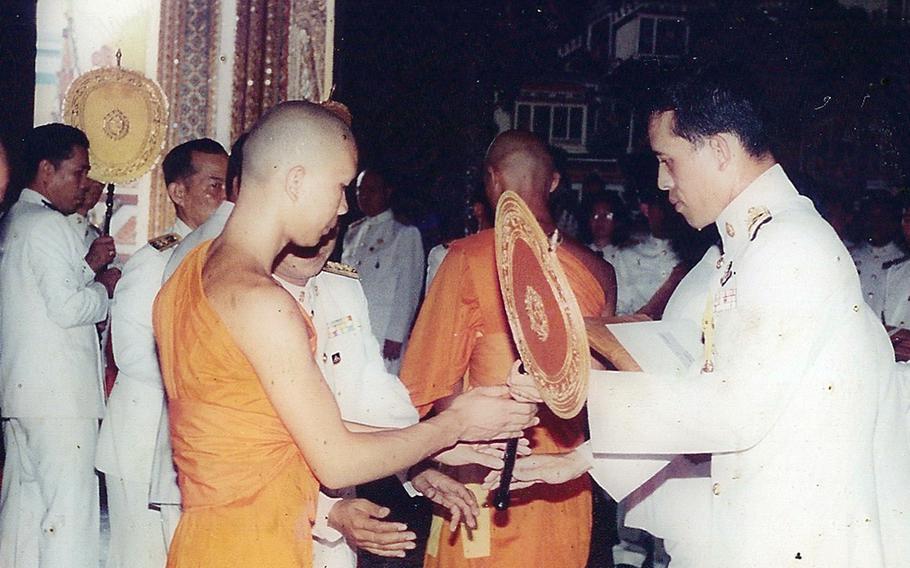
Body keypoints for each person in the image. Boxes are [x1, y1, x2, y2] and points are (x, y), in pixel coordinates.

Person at [498, 66, 910, 567]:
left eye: (668, 159)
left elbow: (730, 409)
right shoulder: (748, 244)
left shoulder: (789, 245)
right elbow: (700, 377)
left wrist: (577, 387)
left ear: (718, 150)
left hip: (799, 532)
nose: (661, 180)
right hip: (759, 523)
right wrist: (581, 459)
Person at [152, 101, 537, 568]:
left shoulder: (191, 274)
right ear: (296, 181)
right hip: (255, 545)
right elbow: (336, 460)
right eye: (338, 187)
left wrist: (435, 444)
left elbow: (276, 427)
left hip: (210, 541)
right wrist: (454, 423)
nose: (341, 206)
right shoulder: (261, 299)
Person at [400, 129, 616, 568]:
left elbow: (423, 387)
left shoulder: (465, 258)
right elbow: (606, 392)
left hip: (484, 477)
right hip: (565, 482)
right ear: (553, 182)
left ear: (492, 181)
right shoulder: (599, 270)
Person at [95, 138, 228, 568]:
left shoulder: (221, 259)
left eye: (230, 185)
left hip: (183, 443)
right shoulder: (156, 260)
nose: (225, 197)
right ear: (178, 192)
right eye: (213, 185)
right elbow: (131, 351)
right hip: (139, 440)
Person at [0, 123, 120, 568]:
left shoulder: (15, 219)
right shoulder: (49, 226)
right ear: (47, 170)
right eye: (77, 171)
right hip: (61, 401)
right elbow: (69, 308)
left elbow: (43, 299)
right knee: (70, 519)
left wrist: (89, 270)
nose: (82, 183)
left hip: (23, 396)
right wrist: (106, 289)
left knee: (24, 518)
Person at [341, 168, 425, 373]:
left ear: (387, 192)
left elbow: (408, 289)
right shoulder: (353, 232)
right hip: (351, 330)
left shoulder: (403, 233)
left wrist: (396, 335)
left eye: (372, 190)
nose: (365, 196)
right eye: (360, 190)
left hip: (382, 331)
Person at [852, 190, 904, 319]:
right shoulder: (850, 257)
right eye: (871, 218)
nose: (877, 224)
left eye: (883, 218)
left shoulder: (903, 262)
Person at [67, 177, 105, 249]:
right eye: (91, 180)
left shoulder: (95, 234)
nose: (97, 188)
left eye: (101, 185)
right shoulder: (59, 225)